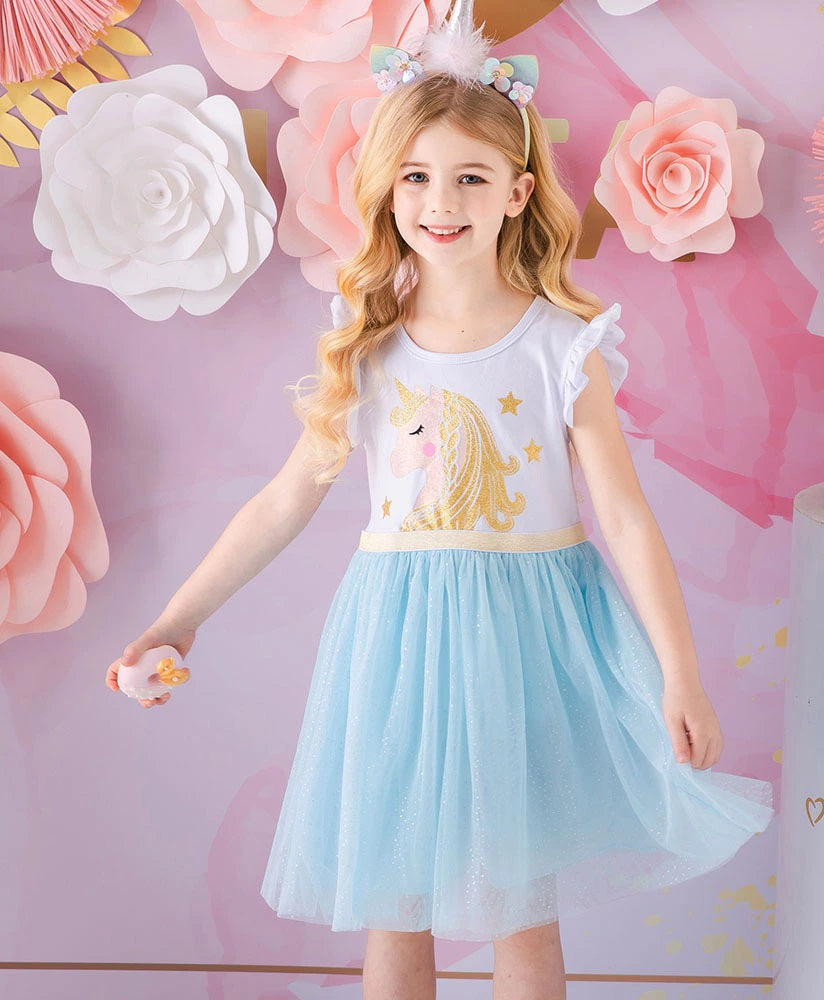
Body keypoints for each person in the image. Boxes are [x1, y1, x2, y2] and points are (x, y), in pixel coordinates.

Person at [106, 10, 773, 1000]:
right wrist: (178, 619)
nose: (441, 200)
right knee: (398, 899)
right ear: (386, 189)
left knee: (521, 904)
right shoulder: (368, 342)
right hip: (399, 644)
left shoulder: (564, 345)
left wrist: (681, 674)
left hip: (535, 642)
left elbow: (627, 520)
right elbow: (287, 498)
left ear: (518, 191)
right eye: (416, 176)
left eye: (470, 177)